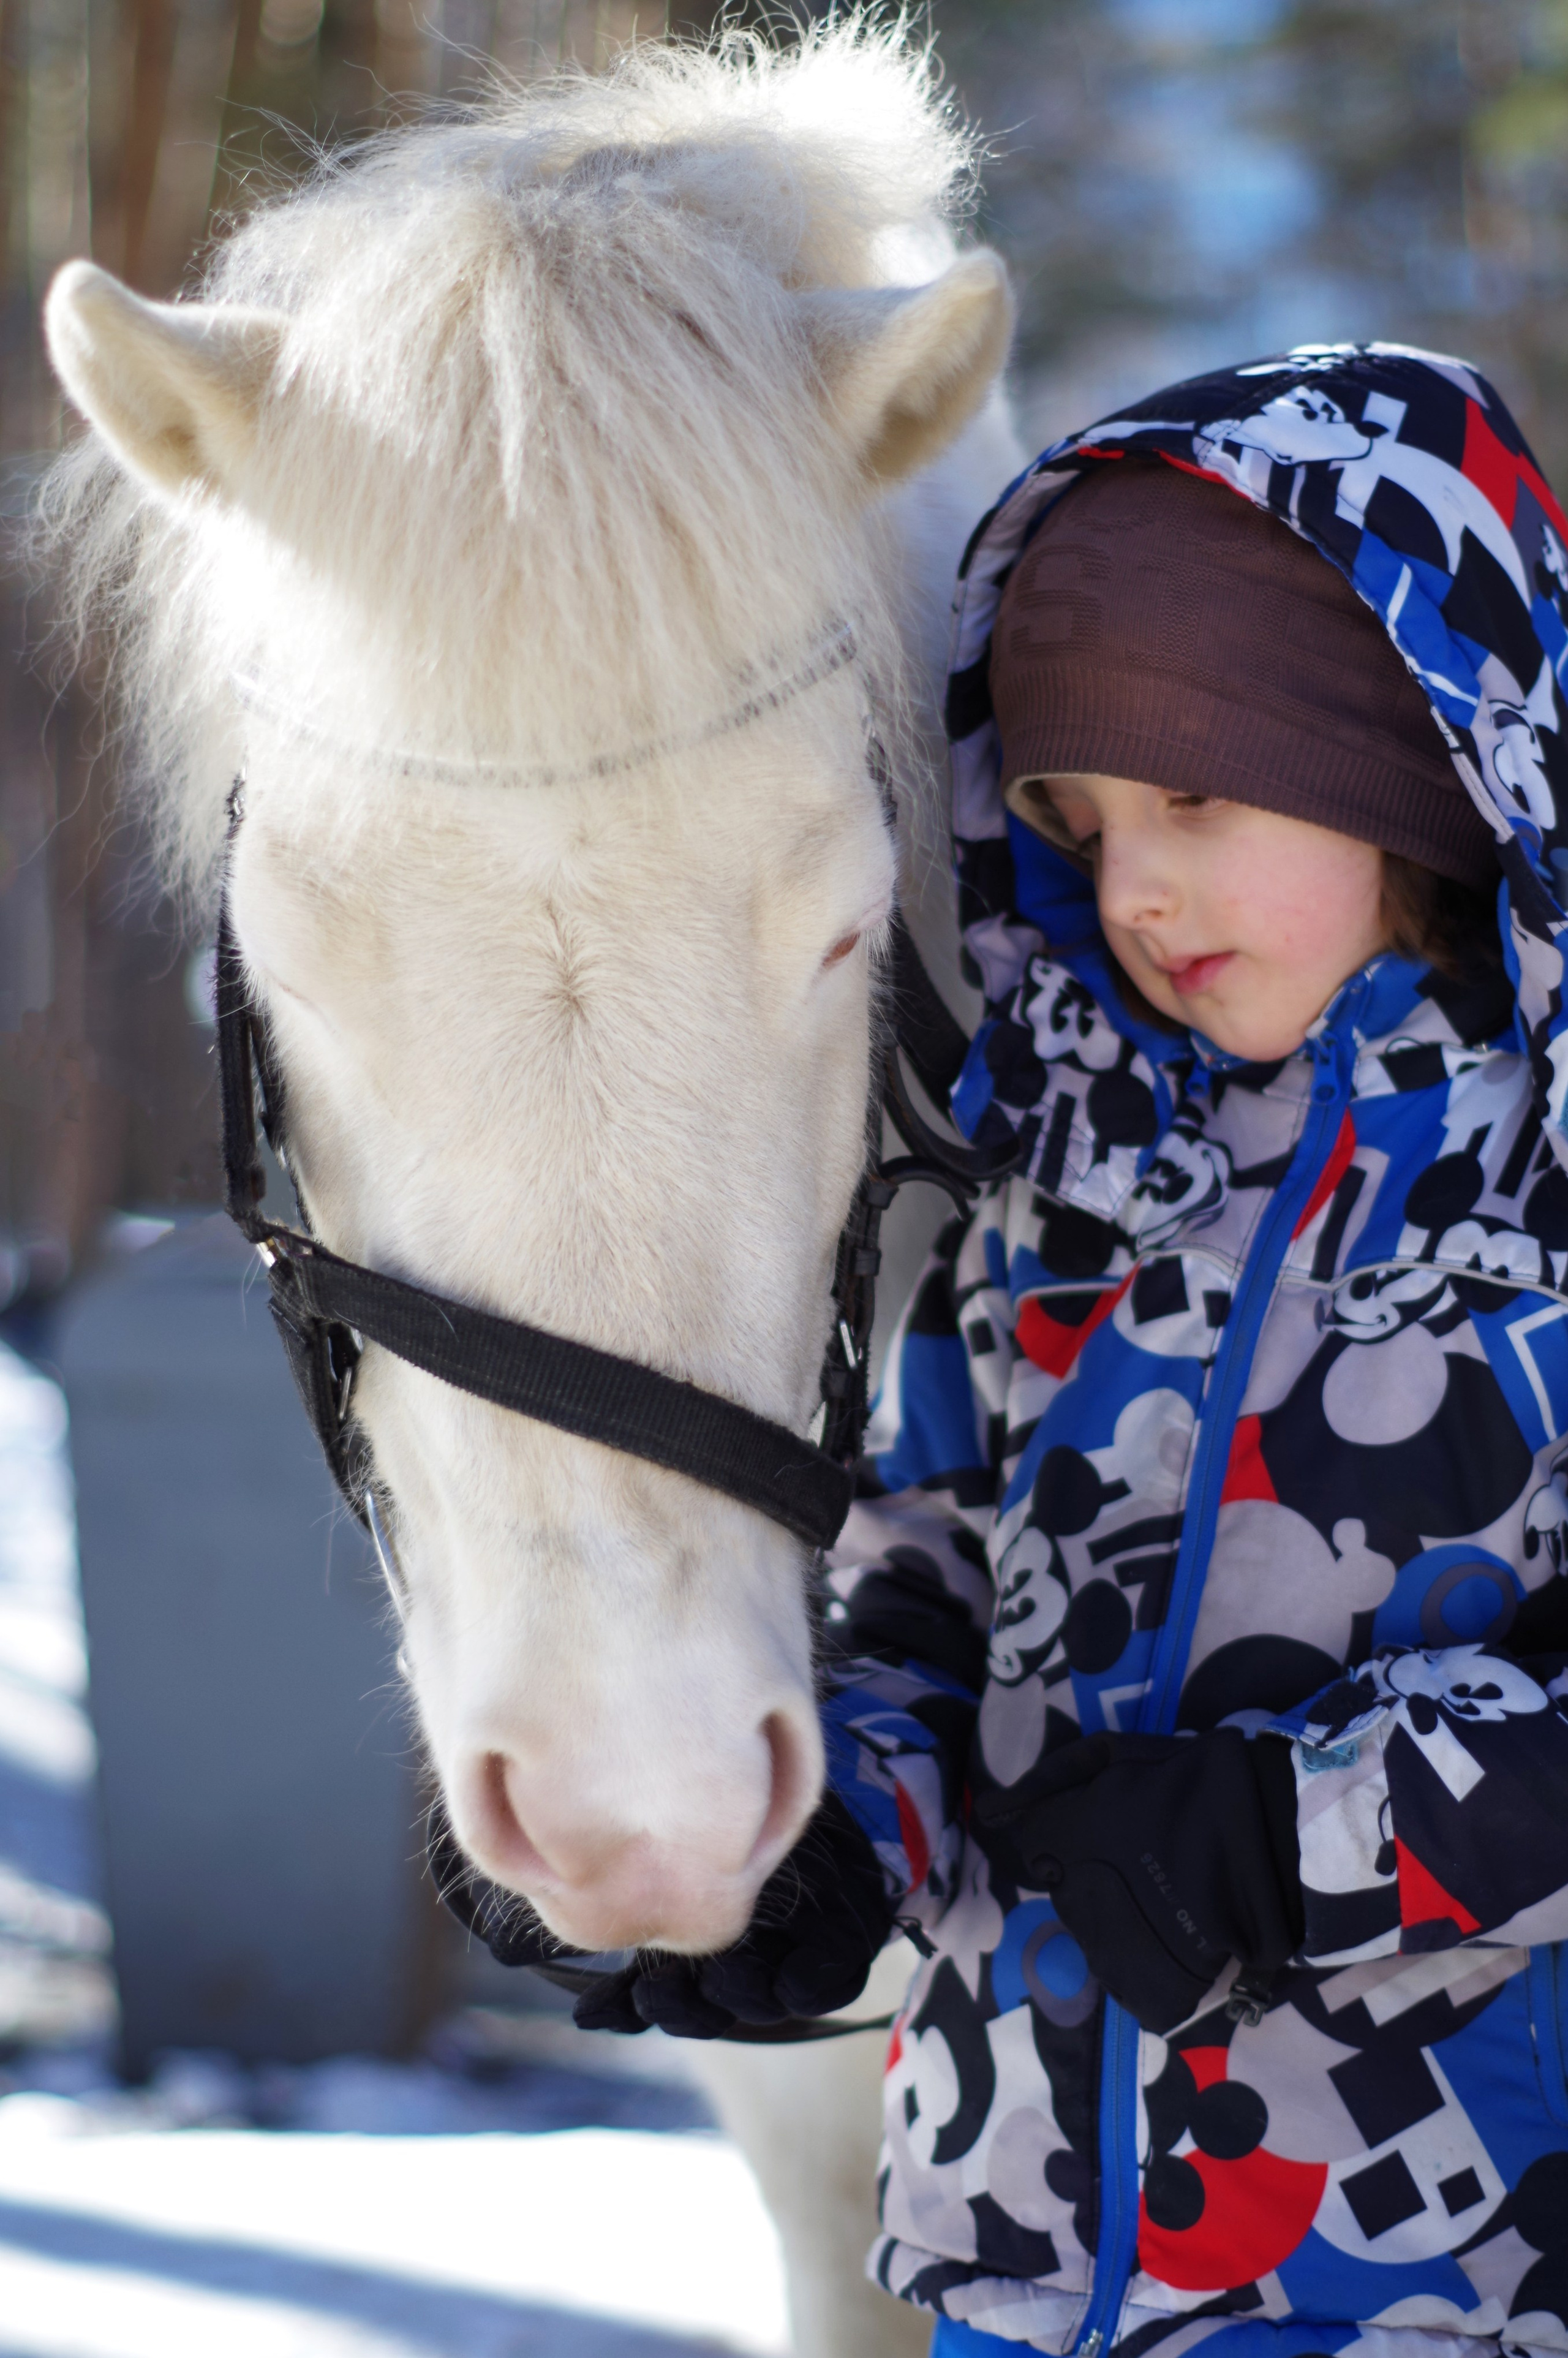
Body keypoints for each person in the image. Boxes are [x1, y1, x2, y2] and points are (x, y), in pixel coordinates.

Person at [456, 345, 1568, 2358]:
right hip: (1033, 2265)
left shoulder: (1545, 1178)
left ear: (1414, 747)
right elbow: (923, 1588)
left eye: (1197, 793)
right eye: (1071, 812)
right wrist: (826, 1856)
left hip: (1457, 2279)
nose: (1131, 884)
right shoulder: (1068, 1196)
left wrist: (1295, 1835)